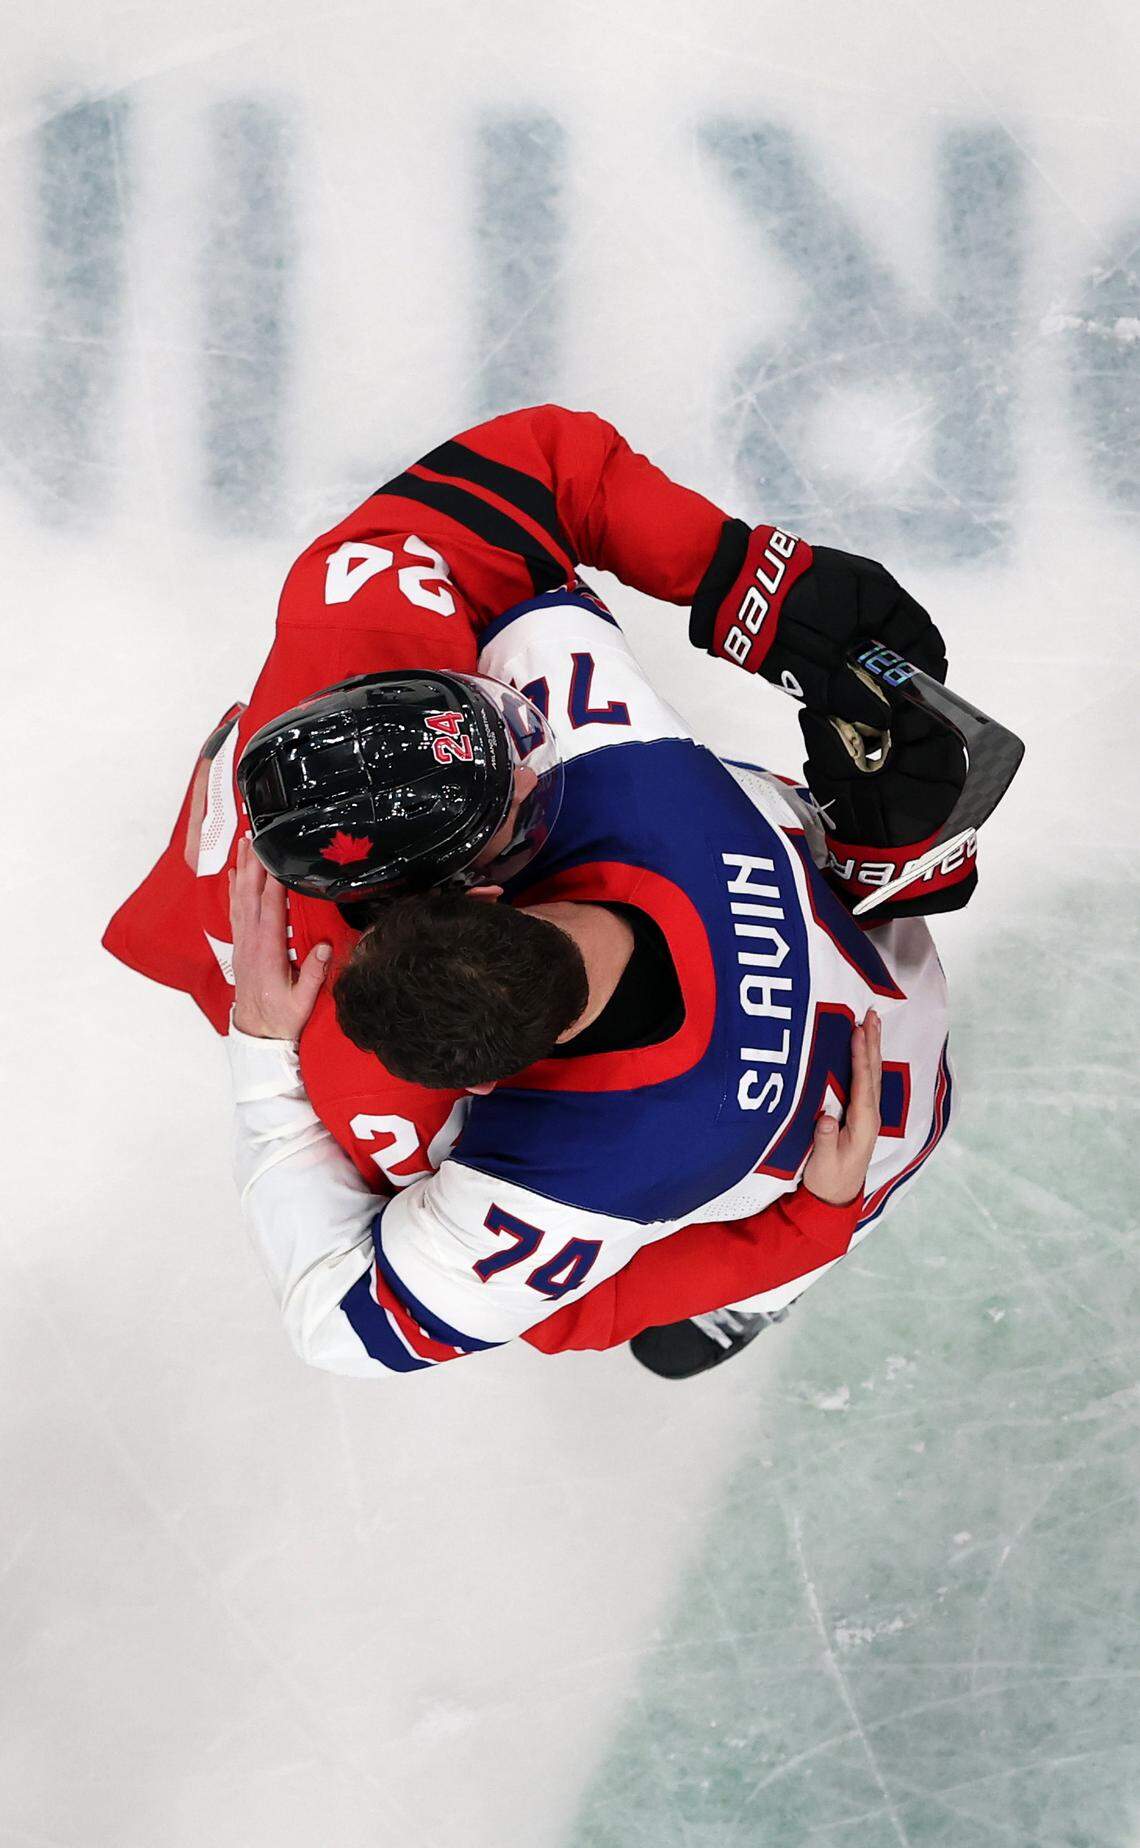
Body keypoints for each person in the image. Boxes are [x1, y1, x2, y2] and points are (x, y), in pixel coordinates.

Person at [221, 577, 961, 1380]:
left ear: (503, 1078)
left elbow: (349, 1326)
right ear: (486, 894)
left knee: (732, 1239)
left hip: (862, 1141)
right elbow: (523, 568)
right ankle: (787, 1262)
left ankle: (760, 1290)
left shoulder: (582, 1158)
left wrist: (268, 1060)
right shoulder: (616, 766)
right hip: (877, 973)